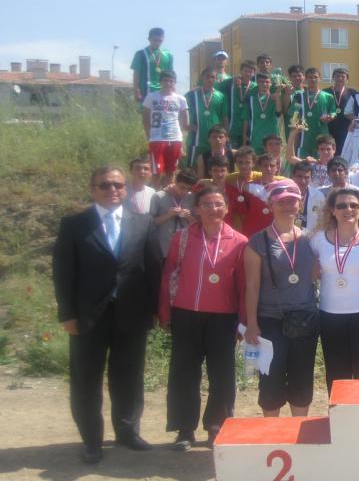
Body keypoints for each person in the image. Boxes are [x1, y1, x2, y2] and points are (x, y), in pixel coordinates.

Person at [52, 167, 162, 463]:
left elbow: (153, 269)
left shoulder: (143, 223)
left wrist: (154, 309)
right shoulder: (74, 224)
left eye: (118, 185)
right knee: (86, 379)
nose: (112, 190)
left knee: (128, 377)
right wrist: (67, 314)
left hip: (132, 314)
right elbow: (63, 273)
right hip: (88, 317)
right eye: (105, 185)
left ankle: (127, 432)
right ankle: (92, 440)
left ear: (126, 190)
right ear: (92, 189)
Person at [159, 185, 248, 451]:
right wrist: (165, 311)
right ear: (196, 209)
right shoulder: (182, 238)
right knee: (184, 372)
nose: (213, 209)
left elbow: (244, 285)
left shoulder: (240, 241)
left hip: (224, 317)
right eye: (206, 204)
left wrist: (243, 320)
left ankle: (216, 426)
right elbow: (169, 275)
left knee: (222, 374)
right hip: (186, 314)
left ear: (227, 208)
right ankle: (184, 429)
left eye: (218, 204)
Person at [244, 179, 320, 417]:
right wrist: (252, 324)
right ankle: (273, 435)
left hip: (305, 317)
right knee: (271, 377)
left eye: (292, 201)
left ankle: (297, 432)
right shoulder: (257, 242)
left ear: (301, 203)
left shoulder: (312, 239)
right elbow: (252, 286)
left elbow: (318, 274)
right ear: (270, 204)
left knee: (302, 375)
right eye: (282, 202)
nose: (288, 206)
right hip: (270, 319)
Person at [310, 188, 359, 392]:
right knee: (336, 377)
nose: (348, 209)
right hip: (330, 316)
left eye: (354, 205)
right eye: (342, 205)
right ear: (332, 211)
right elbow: (310, 275)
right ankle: (339, 422)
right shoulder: (318, 240)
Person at [142, 70, 188, 186]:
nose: (168, 83)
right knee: (156, 172)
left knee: (171, 172)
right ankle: (152, 197)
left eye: (171, 81)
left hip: (175, 139)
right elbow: (145, 119)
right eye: (165, 80)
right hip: (157, 138)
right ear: (160, 82)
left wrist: (181, 139)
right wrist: (149, 136)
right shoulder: (151, 96)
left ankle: (167, 197)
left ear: (175, 82)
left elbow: (184, 119)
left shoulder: (180, 99)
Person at [287, 68, 338, 160]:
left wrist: (330, 117)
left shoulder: (328, 96)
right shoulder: (299, 96)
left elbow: (333, 112)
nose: (313, 80)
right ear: (306, 79)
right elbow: (295, 113)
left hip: (321, 133)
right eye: (310, 77)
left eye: (315, 77)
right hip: (304, 136)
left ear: (320, 79)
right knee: (303, 164)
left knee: (322, 162)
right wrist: (294, 129)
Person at [186, 67, 228, 168]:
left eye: (213, 77)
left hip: (215, 139)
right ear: (202, 78)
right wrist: (185, 125)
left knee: (215, 167)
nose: (210, 79)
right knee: (192, 167)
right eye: (207, 77)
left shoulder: (221, 96)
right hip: (196, 138)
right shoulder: (191, 95)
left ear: (216, 79)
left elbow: (225, 117)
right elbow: (181, 110)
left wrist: (226, 135)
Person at [151, 168, 197, 258]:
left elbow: (197, 224)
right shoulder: (158, 196)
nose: (184, 191)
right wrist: (168, 215)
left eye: (188, 189)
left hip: (184, 248)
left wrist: (189, 217)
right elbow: (152, 223)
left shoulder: (192, 197)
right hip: (163, 248)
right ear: (175, 181)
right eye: (182, 187)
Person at [243, 72, 282, 155]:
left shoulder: (274, 98)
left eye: (267, 82)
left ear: (271, 84)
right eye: (261, 82)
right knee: (256, 164)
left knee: (271, 164)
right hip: (255, 138)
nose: (264, 84)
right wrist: (244, 135)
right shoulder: (251, 99)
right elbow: (246, 119)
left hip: (272, 139)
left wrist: (278, 96)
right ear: (257, 83)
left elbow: (279, 112)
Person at [131, 27, 173, 103]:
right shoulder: (140, 54)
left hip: (163, 91)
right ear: (149, 39)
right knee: (146, 114)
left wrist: (173, 90)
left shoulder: (168, 55)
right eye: (155, 40)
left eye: (160, 41)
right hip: (145, 91)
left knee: (163, 113)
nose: (157, 43)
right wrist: (136, 90)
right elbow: (136, 74)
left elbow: (171, 75)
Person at [227, 60, 258, 149]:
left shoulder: (256, 87)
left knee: (247, 155)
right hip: (233, 127)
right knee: (232, 154)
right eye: (245, 71)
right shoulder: (230, 83)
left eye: (250, 72)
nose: (248, 74)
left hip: (249, 128)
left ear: (254, 73)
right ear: (240, 71)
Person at [326, 67, 357, 148]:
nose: (340, 78)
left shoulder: (352, 92)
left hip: (346, 128)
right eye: (337, 76)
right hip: (329, 127)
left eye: (343, 76)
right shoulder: (325, 92)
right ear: (333, 78)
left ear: (347, 79)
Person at [291, 161, 326, 231]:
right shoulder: (285, 194)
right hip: (289, 235)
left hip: (310, 237)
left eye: (306, 177)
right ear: (293, 176)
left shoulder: (318, 196)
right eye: (299, 177)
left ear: (311, 178)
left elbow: (323, 219)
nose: (303, 181)